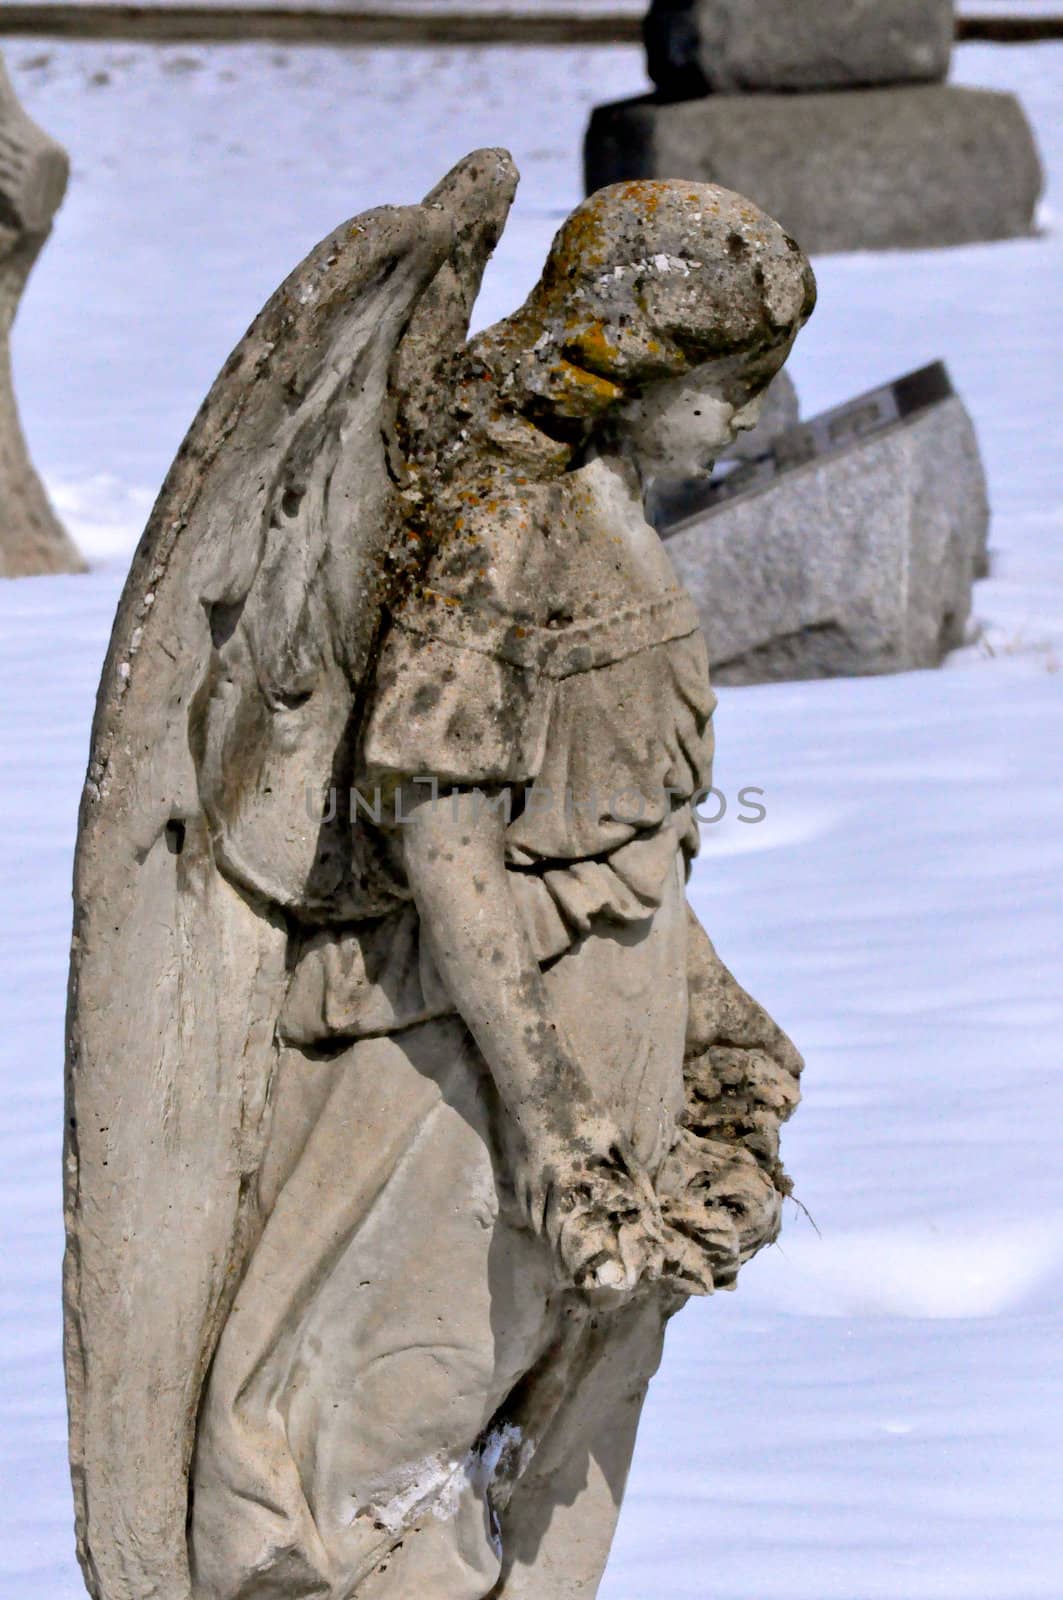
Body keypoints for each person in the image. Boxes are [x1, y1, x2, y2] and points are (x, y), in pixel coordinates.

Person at [189, 180, 814, 1600]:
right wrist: (543, 1110)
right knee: (407, 1411)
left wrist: (712, 1008)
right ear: (628, 363)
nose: (751, 421)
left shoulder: (616, 519)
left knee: (568, 1405)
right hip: (492, 1047)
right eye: (730, 388)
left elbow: (634, 839)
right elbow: (444, 835)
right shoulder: (501, 536)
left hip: (621, 1020)